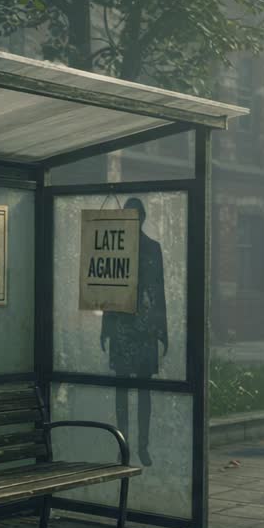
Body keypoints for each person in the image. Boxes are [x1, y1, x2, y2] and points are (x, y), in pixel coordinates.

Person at [99, 197, 168, 467]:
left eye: (136, 215)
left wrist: (162, 331)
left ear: (142, 217)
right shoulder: (117, 246)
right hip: (121, 327)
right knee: (122, 388)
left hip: (145, 327)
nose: (132, 220)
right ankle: (123, 444)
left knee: (143, 389)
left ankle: (143, 446)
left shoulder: (153, 248)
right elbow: (108, 287)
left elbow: (159, 291)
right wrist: (105, 328)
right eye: (128, 215)